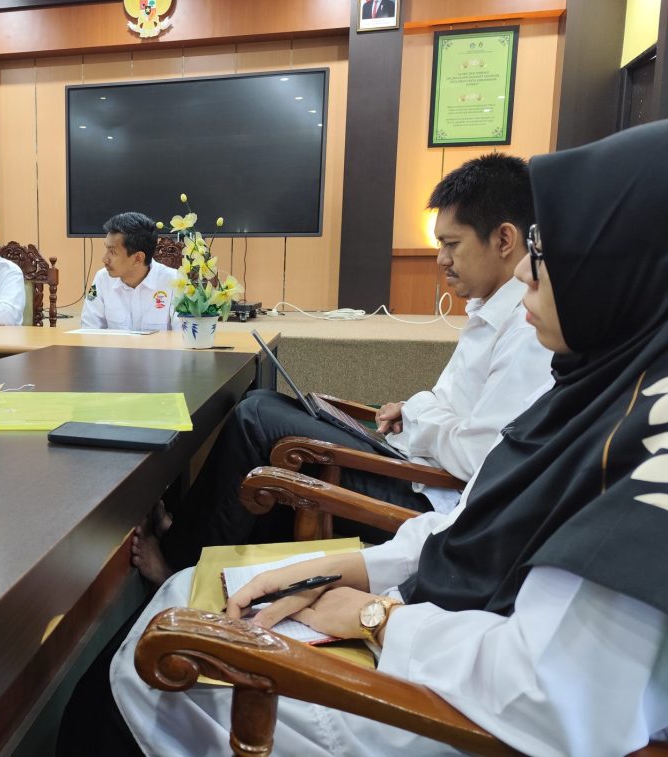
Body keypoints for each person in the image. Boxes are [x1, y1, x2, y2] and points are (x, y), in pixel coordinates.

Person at [110, 120, 668, 757]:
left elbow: (551, 697)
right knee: (191, 600)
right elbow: (472, 521)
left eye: (548, 253)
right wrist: (344, 570)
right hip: (441, 623)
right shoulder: (604, 388)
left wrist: (375, 616)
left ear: (625, 269)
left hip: (459, 707)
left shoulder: (649, 454)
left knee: (159, 663)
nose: (527, 274)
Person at [133, 153, 553, 585]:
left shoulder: (528, 328)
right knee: (261, 401)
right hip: (416, 463)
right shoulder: (490, 309)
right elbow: (452, 406)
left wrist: (418, 416)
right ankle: (188, 538)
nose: (441, 259)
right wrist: (416, 410)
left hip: (428, 494)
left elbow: (480, 456)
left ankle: (177, 565)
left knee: (257, 420)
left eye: (452, 244)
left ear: (504, 240)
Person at [80, 212, 181, 332]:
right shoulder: (102, 279)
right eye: (106, 249)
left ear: (138, 258)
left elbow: (182, 336)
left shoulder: (174, 281)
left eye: (112, 252)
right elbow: (89, 330)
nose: (104, 259)